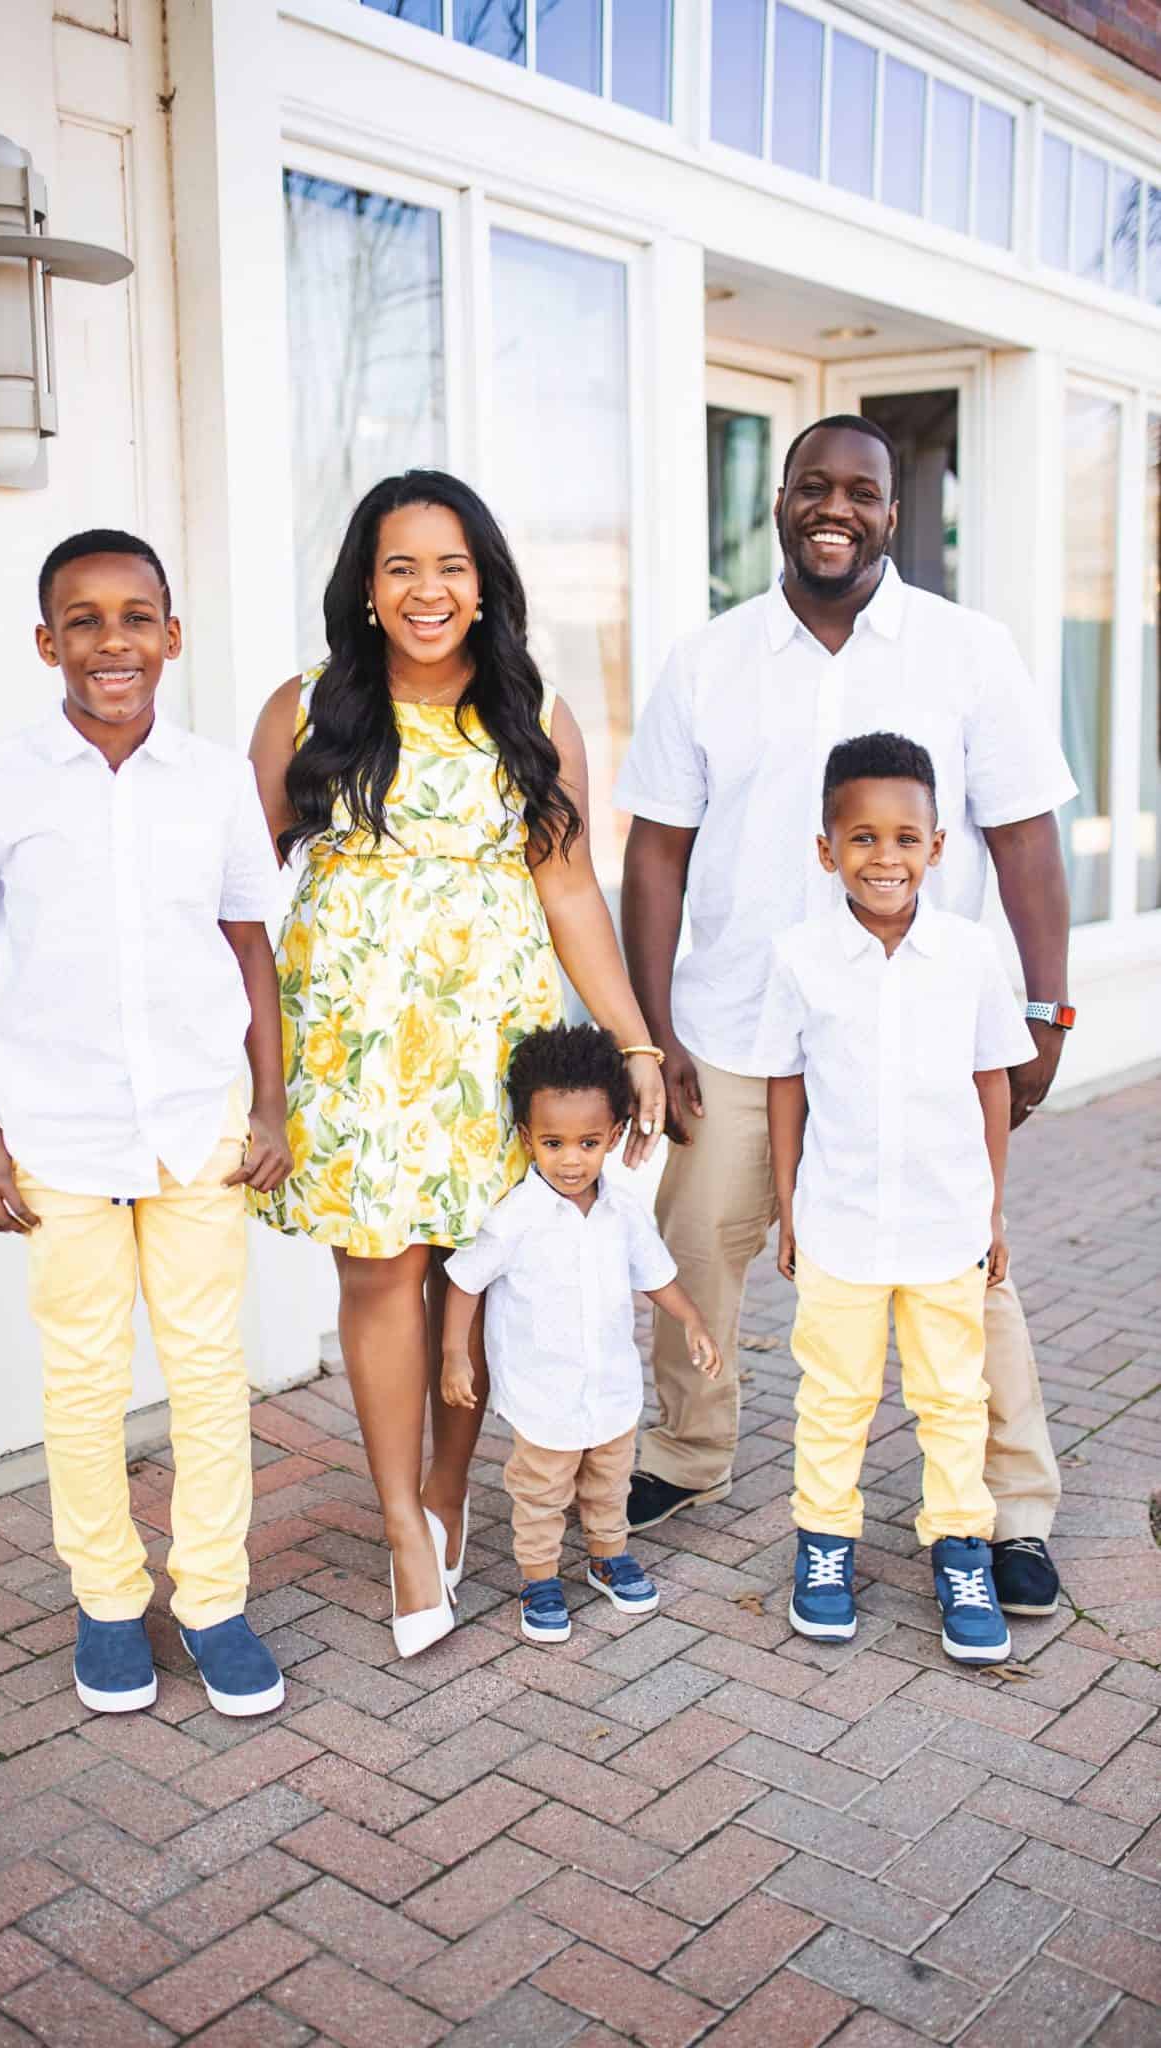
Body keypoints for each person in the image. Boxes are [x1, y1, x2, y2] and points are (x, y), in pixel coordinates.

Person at [615, 413, 1077, 1620]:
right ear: (778, 498)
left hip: (915, 1029)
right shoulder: (708, 658)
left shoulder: (968, 650)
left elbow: (1026, 832)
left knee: (965, 1265)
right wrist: (651, 1033)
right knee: (700, 1242)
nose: (836, 506)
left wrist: (1043, 1006)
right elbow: (655, 852)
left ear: (891, 511)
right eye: (812, 484)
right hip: (731, 1024)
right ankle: (686, 1451)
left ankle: (1010, 1506)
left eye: (860, 490)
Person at [249, 471, 668, 1660]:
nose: (426, 590)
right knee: (383, 1274)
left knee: (472, 1279)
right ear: (366, 588)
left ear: (483, 587)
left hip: (494, 1048)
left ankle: (447, 1485)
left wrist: (632, 1038)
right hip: (354, 1047)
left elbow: (572, 887)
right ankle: (400, 1524)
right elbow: (234, 897)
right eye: (400, 568)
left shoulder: (534, 719)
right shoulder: (307, 708)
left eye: (449, 567)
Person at [0, 529, 293, 1719]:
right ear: (46, 642)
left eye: (136, 617)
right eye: (84, 619)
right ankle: (109, 1600)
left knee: (211, 1370)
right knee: (81, 1375)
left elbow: (249, 941)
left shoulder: (215, 779)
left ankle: (214, 1597)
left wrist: (271, 1101)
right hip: (55, 1129)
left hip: (194, 1121)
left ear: (172, 636)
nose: (111, 640)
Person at [759, 733, 1033, 1663]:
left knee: (952, 1394)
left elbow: (992, 1082)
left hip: (943, 1221)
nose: (886, 858)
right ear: (826, 849)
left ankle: (959, 1546)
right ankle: (824, 1545)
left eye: (906, 838)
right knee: (833, 1396)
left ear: (937, 847)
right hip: (837, 1223)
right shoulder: (798, 956)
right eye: (863, 838)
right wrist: (789, 1209)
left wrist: (990, 1213)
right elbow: (785, 1086)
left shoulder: (967, 954)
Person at [440, 1024, 719, 1642]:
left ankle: (606, 1555)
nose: (571, 1159)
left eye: (588, 1142)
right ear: (526, 1139)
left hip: (611, 1387)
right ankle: (539, 1578)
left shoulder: (622, 1211)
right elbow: (464, 1282)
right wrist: (453, 1357)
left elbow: (656, 1275)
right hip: (544, 1392)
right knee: (541, 1491)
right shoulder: (515, 1218)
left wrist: (693, 1320)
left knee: (609, 1481)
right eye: (554, 1142)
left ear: (614, 1136)